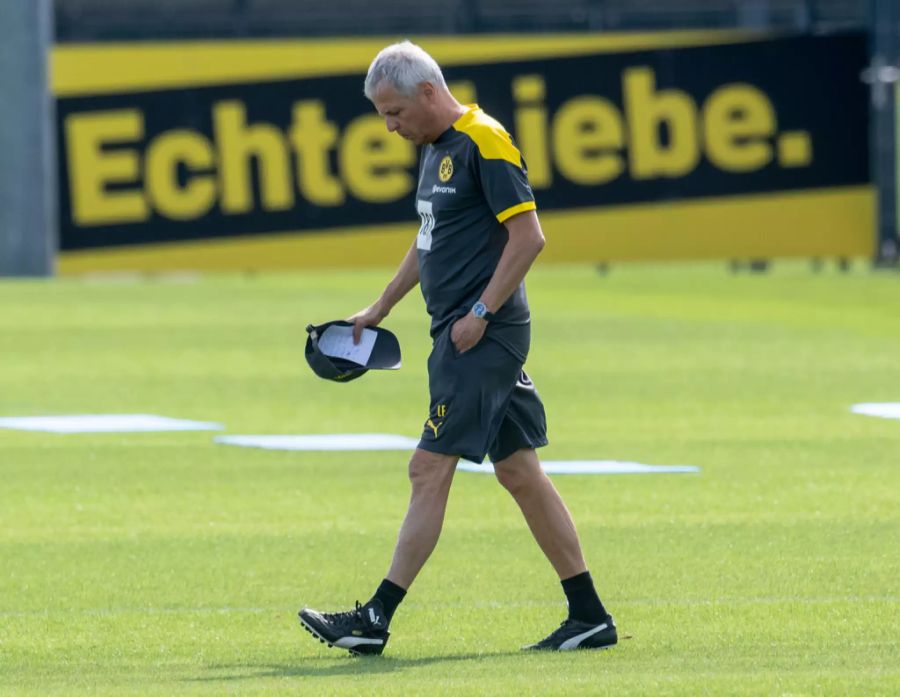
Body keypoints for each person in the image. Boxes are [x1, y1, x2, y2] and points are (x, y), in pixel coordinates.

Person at [298, 41, 616, 655]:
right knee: (521, 473)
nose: (390, 127)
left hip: (480, 336)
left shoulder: (484, 141)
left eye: (393, 113)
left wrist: (480, 311)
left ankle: (374, 618)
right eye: (382, 117)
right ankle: (590, 615)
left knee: (427, 468)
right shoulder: (435, 149)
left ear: (427, 91)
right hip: (463, 330)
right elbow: (428, 241)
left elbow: (530, 237)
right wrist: (380, 306)